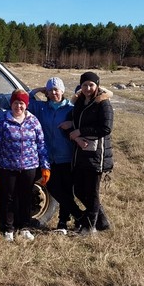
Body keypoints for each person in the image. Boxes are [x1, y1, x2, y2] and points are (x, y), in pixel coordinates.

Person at [0, 89, 50, 242]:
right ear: (11, 104)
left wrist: (45, 166)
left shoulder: (34, 121)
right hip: (7, 167)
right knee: (7, 198)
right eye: (16, 103)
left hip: (29, 167)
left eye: (21, 103)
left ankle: (25, 227)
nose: (18, 106)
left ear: (26, 105)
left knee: (26, 197)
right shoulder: (3, 122)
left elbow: (41, 144)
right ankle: (8, 228)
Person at [27, 77, 83, 234]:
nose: (53, 93)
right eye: (50, 90)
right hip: (47, 156)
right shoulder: (42, 108)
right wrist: (36, 90)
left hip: (66, 155)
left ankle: (63, 222)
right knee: (53, 187)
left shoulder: (71, 108)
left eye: (56, 89)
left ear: (62, 91)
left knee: (67, 189)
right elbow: (26, 101)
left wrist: (71, 124)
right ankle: (79, 215)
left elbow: (81, 122)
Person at [63, 71, 114, 235]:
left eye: (91, 85)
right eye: (85, 85)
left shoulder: (103, 103)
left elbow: (105, 128)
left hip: (96, 153)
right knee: (78, 189)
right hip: (80, 152)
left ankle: (89, 227)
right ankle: (102, 220)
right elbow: (74, 121)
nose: (88, 88)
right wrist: (71, 127)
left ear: (97, 85)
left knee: (92, 192)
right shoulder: (79, 102)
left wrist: (80, 131)